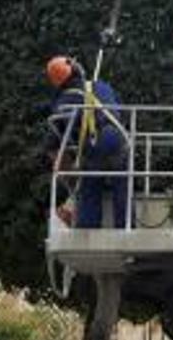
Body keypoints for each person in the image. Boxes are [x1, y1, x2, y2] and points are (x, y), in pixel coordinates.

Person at [44, 55, 131, 229]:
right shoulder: (102, 86)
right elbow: (123, 112)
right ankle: (127, 227)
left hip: (96, 143)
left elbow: (54, 142)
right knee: (122, 189)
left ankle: (89, 229)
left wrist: (70, 180)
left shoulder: (65, 99)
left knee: (90, 186)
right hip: (120, 139)